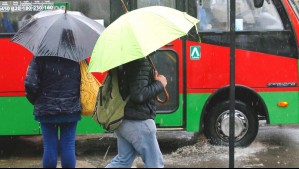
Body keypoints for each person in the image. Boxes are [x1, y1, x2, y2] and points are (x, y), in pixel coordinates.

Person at [105, 56, 167, 168]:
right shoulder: (140, 62)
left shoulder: (123, 60)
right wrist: (160, 84)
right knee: (155, 164)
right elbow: (139, 95)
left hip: (123, 119)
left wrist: (151, 79)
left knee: (123, 161)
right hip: (138, 121)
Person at [24, 56, 81, 168]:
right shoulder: (76, 57)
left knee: (49, 145)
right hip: (70, 109)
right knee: (68, 145)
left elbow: (30, 84)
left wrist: (37, 100)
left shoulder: (39, 58)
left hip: (46, 110)